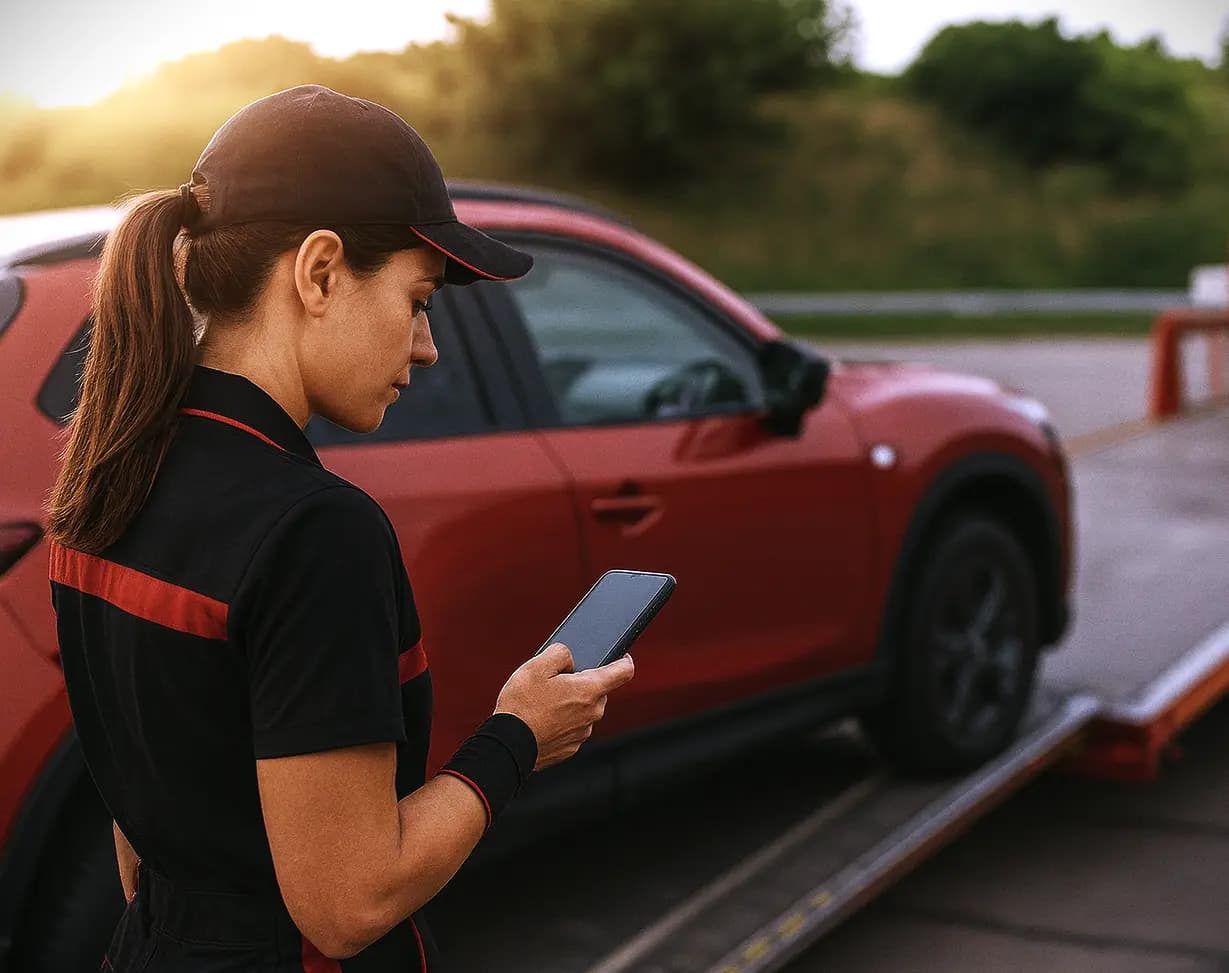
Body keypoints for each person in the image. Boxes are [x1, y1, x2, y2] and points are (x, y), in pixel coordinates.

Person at [45, 84, 635, 972]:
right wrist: (517, 735)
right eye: (419, 297)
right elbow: (348, 901)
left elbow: (141, 838)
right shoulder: (315, 530)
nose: (427, 345)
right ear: (319, 272)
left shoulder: (108, 473)